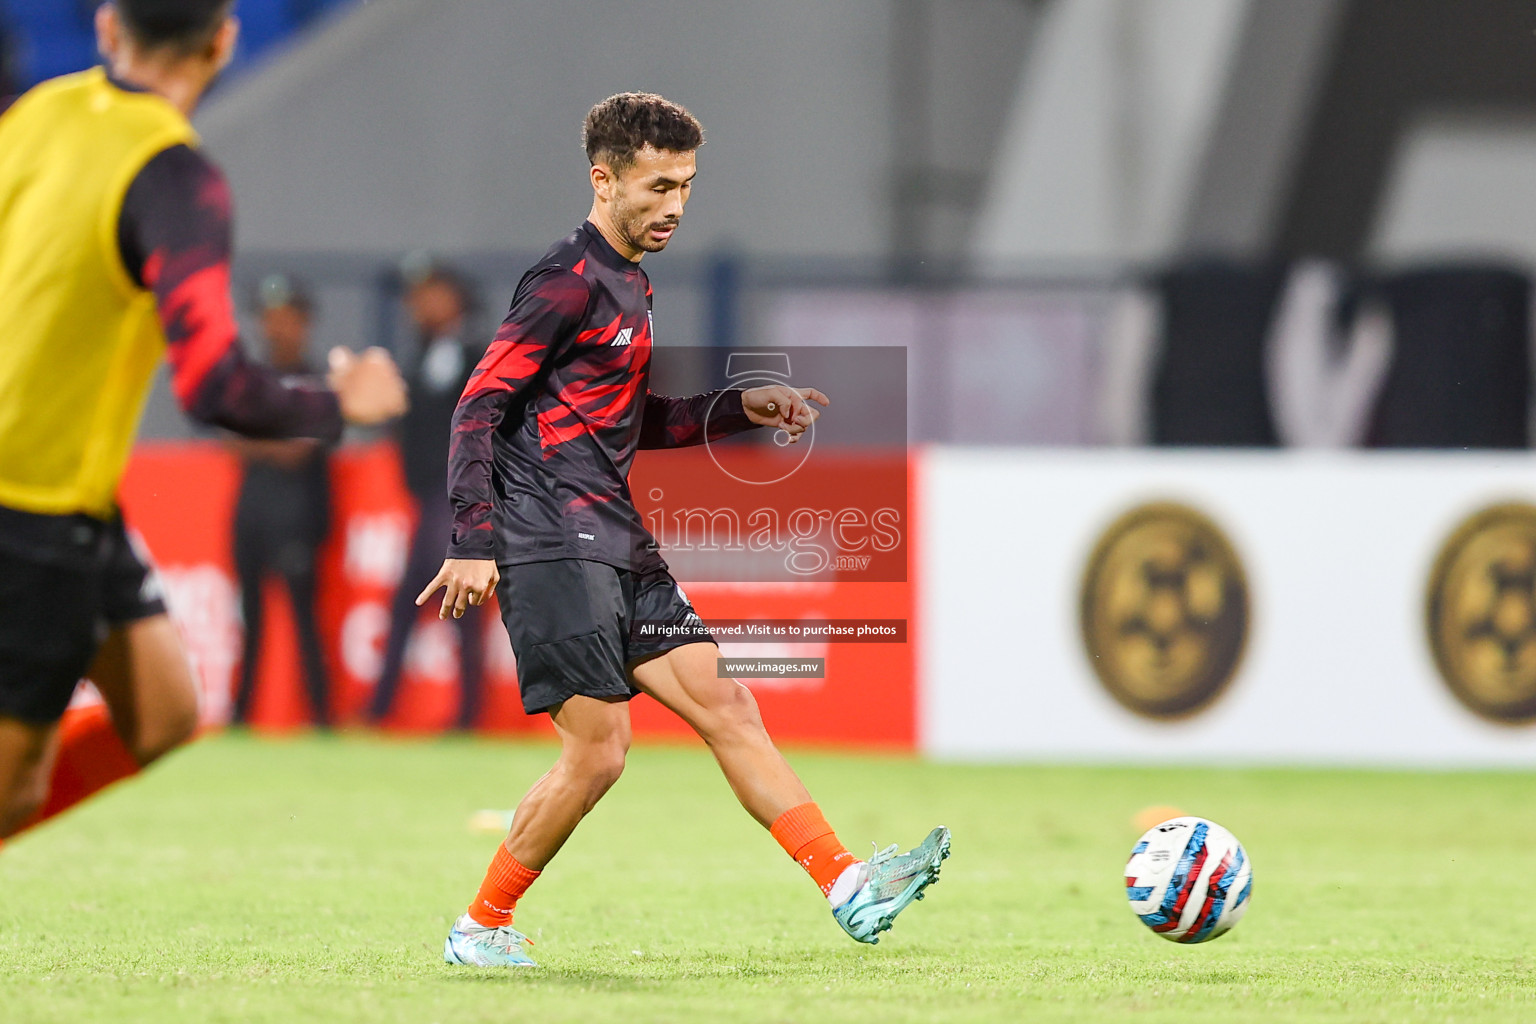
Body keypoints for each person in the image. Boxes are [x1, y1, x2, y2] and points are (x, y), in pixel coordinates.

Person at [417, 92, 949, 968]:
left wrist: (741, 407)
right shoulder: (565, 280)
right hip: (549, 539)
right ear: (605, 179)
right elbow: (479, 405)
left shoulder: (632, 283)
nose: (675, 204)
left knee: (729, 705)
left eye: (687, 185)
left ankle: (846, 883)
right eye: (659, 184)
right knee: (599, 754)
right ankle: (481, 927)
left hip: (617, 540)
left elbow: (634, 420)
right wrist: (473, 537)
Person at [0, 0, 406, 843]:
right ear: (223, 41)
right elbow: (216, 387)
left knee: (163, 713)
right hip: (29, 506)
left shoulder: (38, 111)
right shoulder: (175, 178)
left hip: (76, 500)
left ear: (110, 28)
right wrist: (343, 403)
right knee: (12, 789)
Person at [370, 258, 485, 729]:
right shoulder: (420, 355)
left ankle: (386, 709)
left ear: (453, 298)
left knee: (431, 600)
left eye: (428, 293)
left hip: (456, 500)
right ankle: (458, 715)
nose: (417, 305)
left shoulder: (477, 353)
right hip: (432, 497)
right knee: (443, 604)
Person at [229, 275, 335, 729]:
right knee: (249, 618)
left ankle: (320, 715)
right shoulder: (253, 378)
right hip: (251, 512)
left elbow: (299, 451)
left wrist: (259, 439)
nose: (275, 327)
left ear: (304, 322)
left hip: (298, 515)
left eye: (285, 317)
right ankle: (241, 714)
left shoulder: (316, 381)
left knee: (304, 618)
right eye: (268, 318)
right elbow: (231, 439)